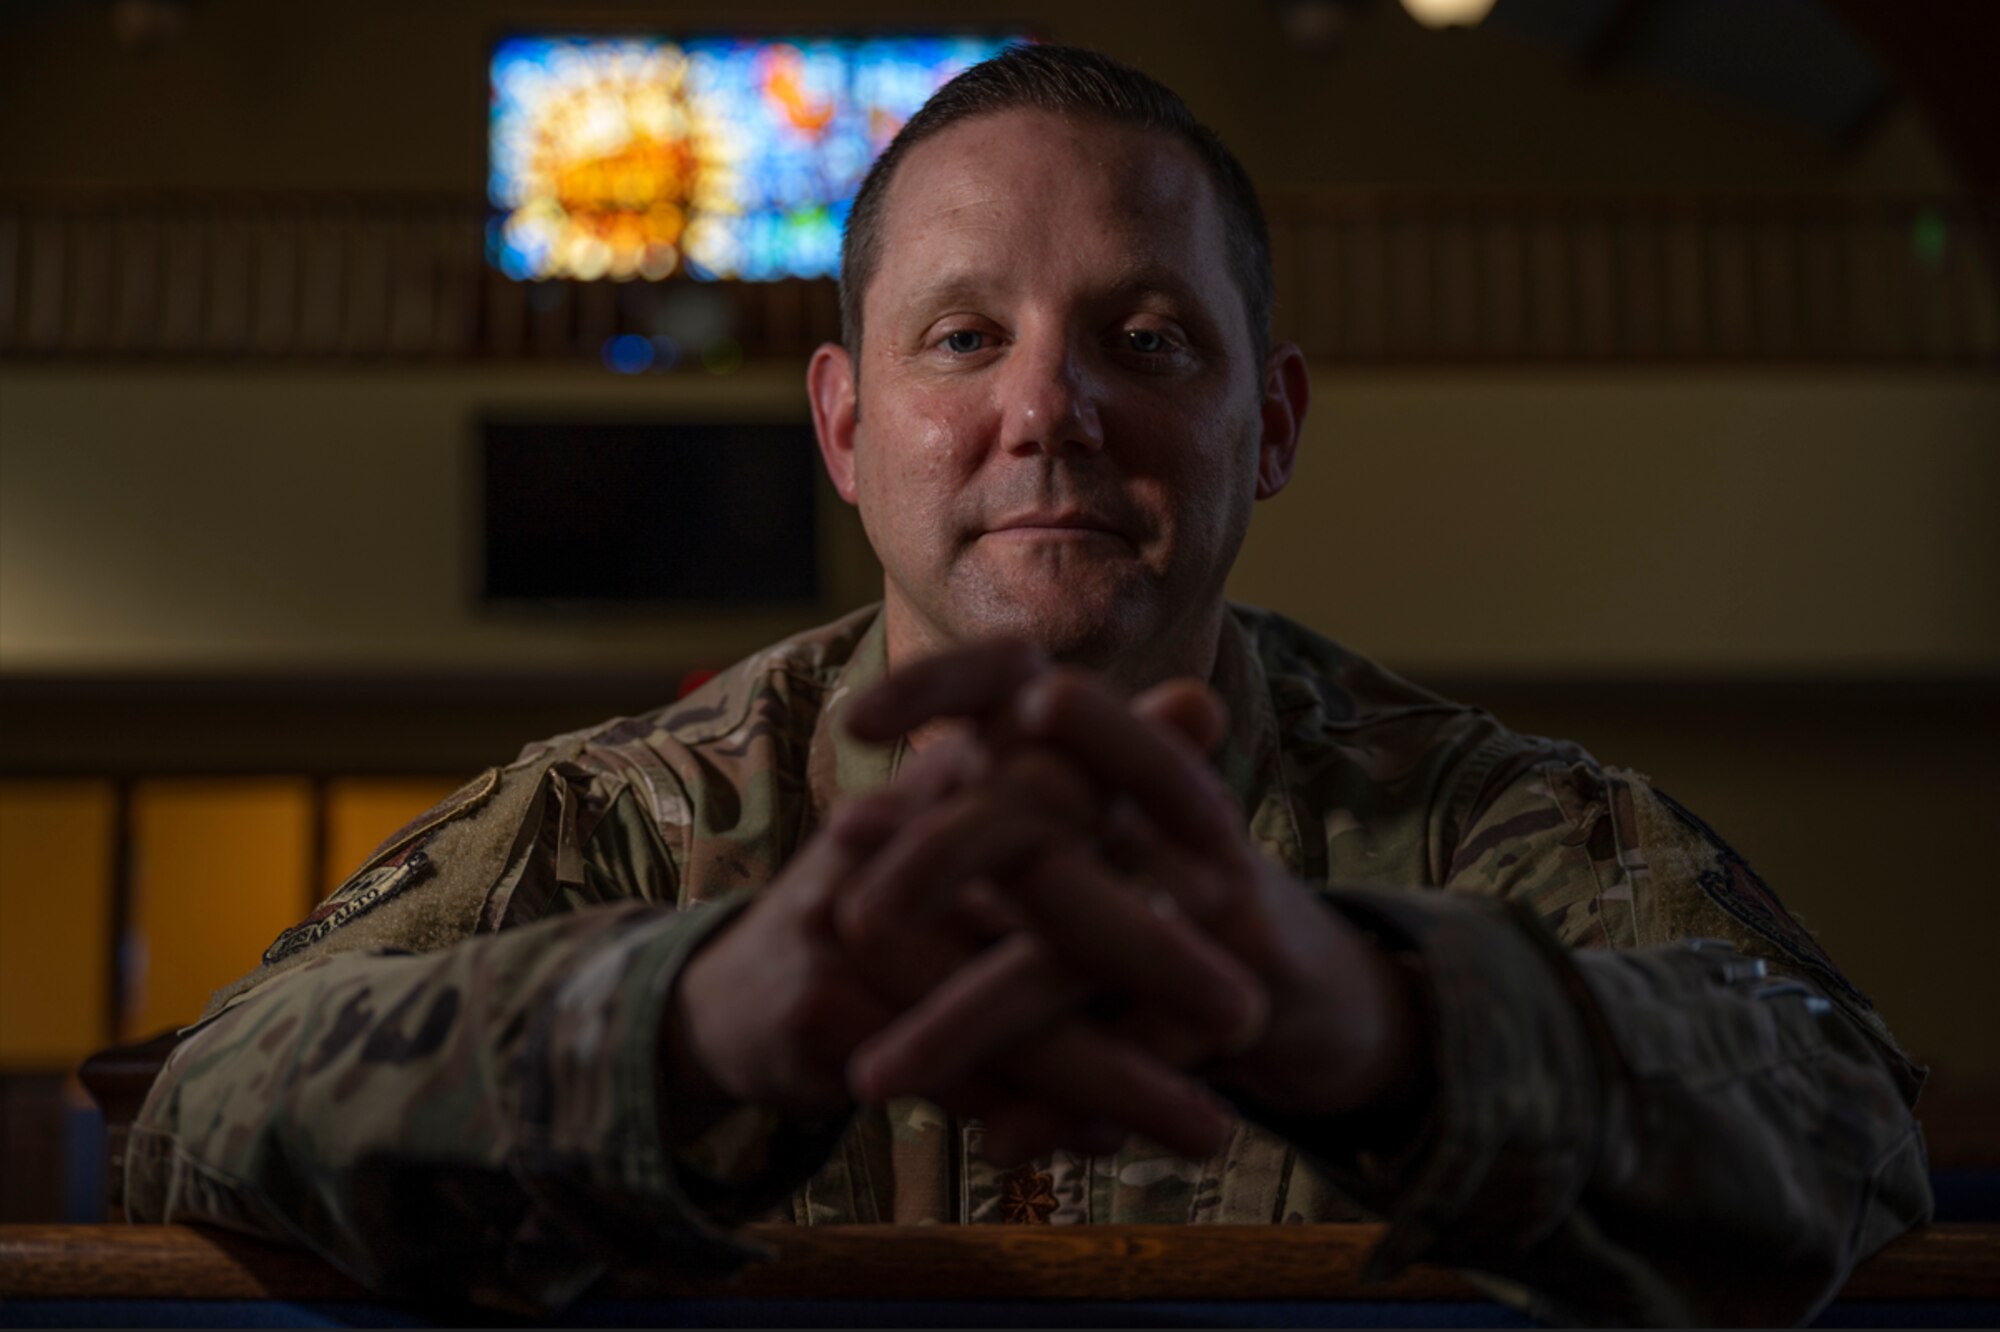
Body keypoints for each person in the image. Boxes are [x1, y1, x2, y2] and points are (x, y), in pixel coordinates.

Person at [125, 44, 1930, 1325]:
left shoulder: (1493, 822)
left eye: (1147, 342)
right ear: (845, 424)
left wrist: (1388, 1026)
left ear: (1270, 424)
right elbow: (200, 1113)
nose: (1048, 410)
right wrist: (684, 1029)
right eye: (966, 337)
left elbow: (1848, 1125)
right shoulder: (622, 818)